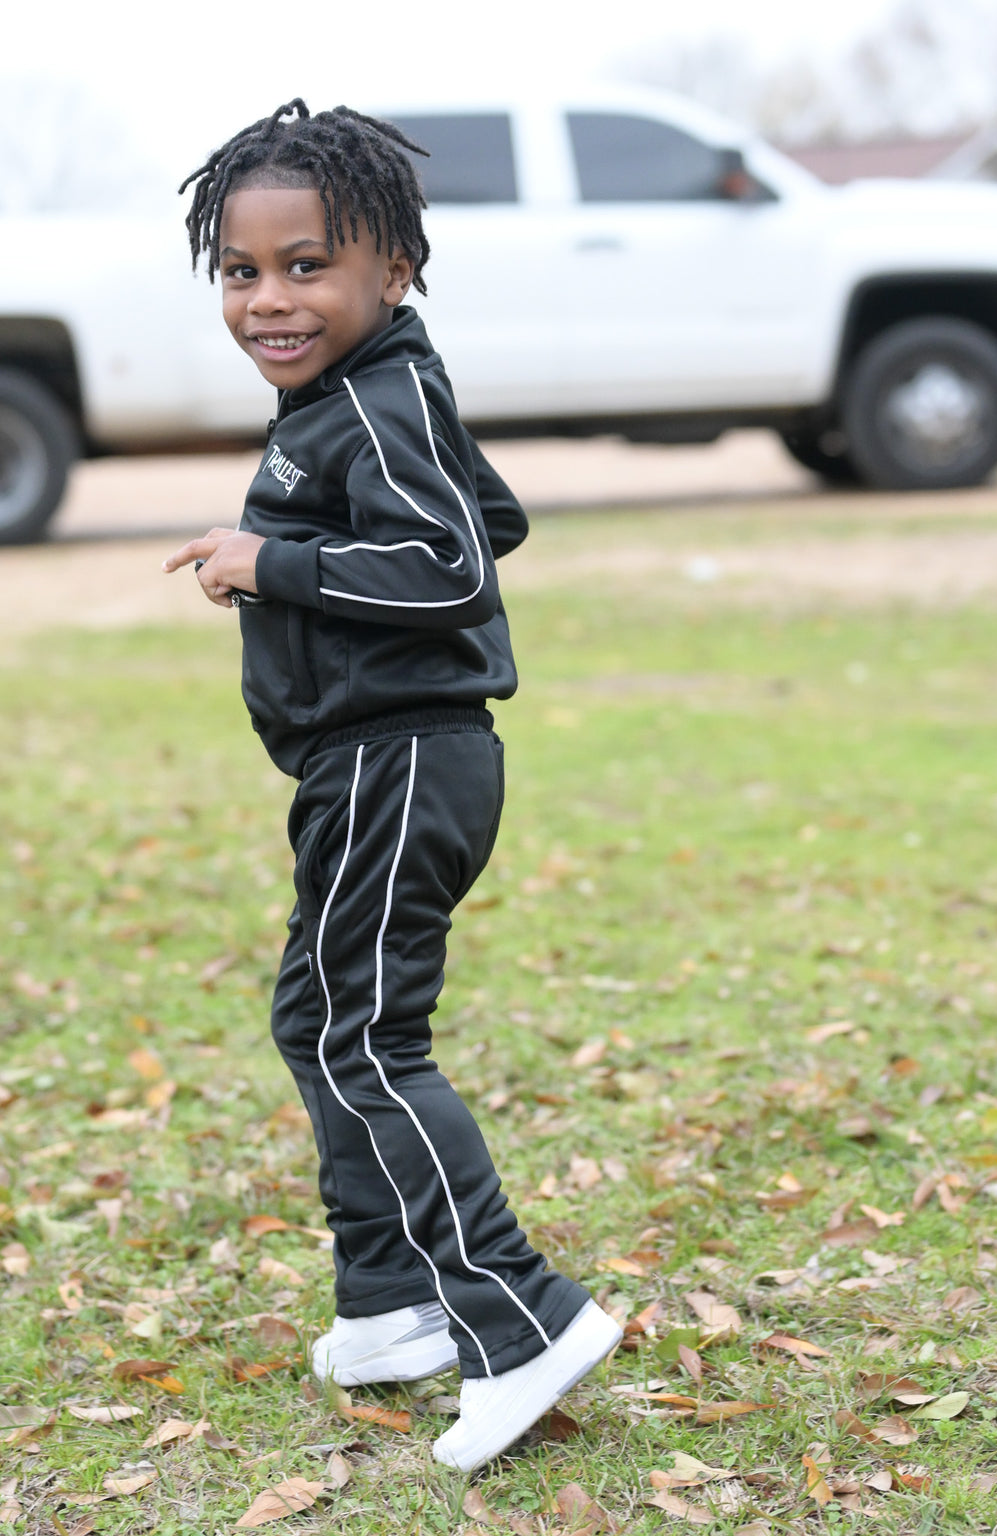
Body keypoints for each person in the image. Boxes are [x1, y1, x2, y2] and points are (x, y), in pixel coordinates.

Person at [163, 99, 621, 1474]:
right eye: (242, 271)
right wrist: (293, 544)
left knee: (363, 1037)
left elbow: (452, 566)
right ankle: (388, 1305)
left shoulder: (372, 395)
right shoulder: (364, 395)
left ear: (394, 272)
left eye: (308, 266)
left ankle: (521, 1318)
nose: (269, 298)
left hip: (399, 756)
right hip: (372, 762)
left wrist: (274, 562)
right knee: (319, 1016)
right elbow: (491, 513)